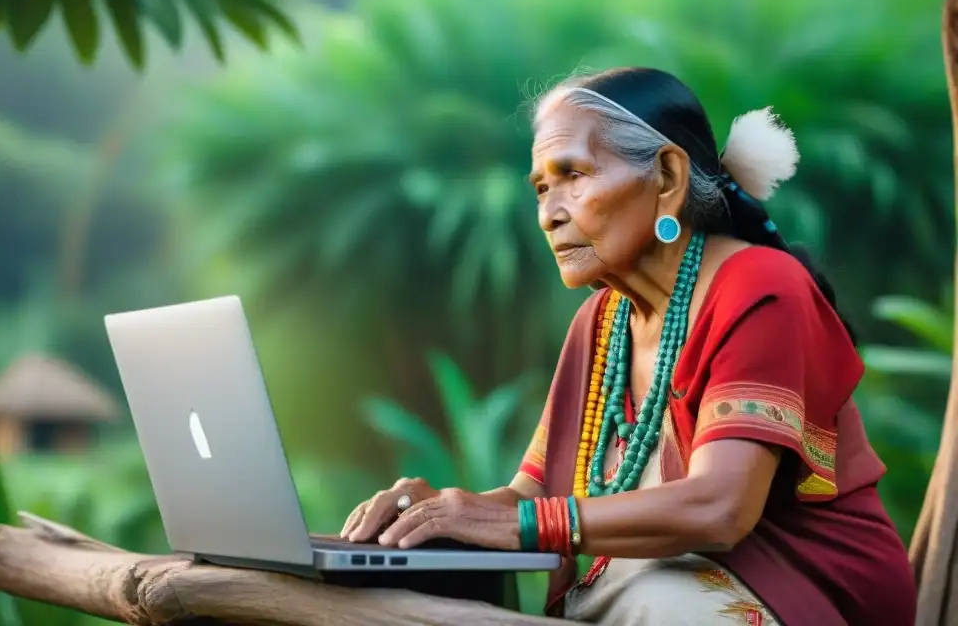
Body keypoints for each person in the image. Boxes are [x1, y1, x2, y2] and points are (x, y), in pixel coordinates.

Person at [339, 67, 917, 625]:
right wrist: (437, 511)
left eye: (573, 175)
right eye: (541, 187)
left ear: (666, 177)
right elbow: (532, 495)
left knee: (656, 604)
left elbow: (720, 508)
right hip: (665, 585)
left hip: (805, 594)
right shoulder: (602, 320)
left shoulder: (760, 286)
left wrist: (513, 522)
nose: (549, 214)